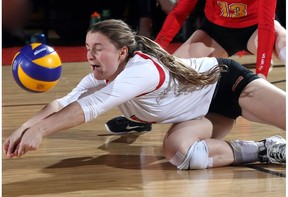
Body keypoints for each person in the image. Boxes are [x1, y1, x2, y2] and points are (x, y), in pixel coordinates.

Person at [4, 19, 286, 170]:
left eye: (98, 48)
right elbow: (62, 103)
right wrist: (27, 127)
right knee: (179, 152)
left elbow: (90, 106)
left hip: (230, 85)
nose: (90, 55)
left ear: (122, 52)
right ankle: (265, 149)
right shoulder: (100, 76)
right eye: (88, 48)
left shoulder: (140, 70)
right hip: (206, 112)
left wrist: (41, 130)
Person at [106, 0, 287, 134]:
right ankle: (143, 120)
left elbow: (265, 25)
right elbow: (179, 12)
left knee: (284, 41)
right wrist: (156, 52)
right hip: (216, 31)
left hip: (255, 27)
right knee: (171, 74)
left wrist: (261, 73)